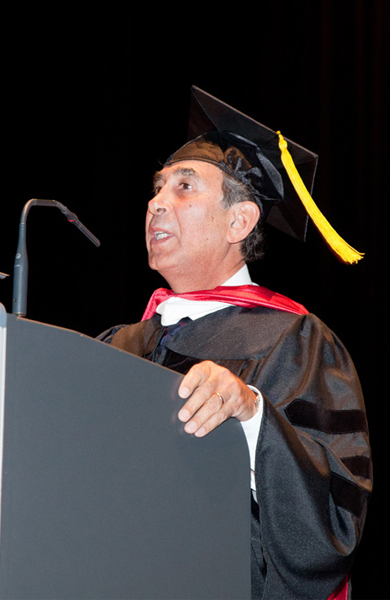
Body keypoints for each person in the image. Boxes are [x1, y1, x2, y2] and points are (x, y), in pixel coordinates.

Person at [98, 87, 372, 599]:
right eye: (157, 188)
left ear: (239, 221)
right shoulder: (119, 345)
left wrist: (252, 416)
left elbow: (336, 523)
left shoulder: (294, 340)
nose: (156, 203)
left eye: (184, 187)